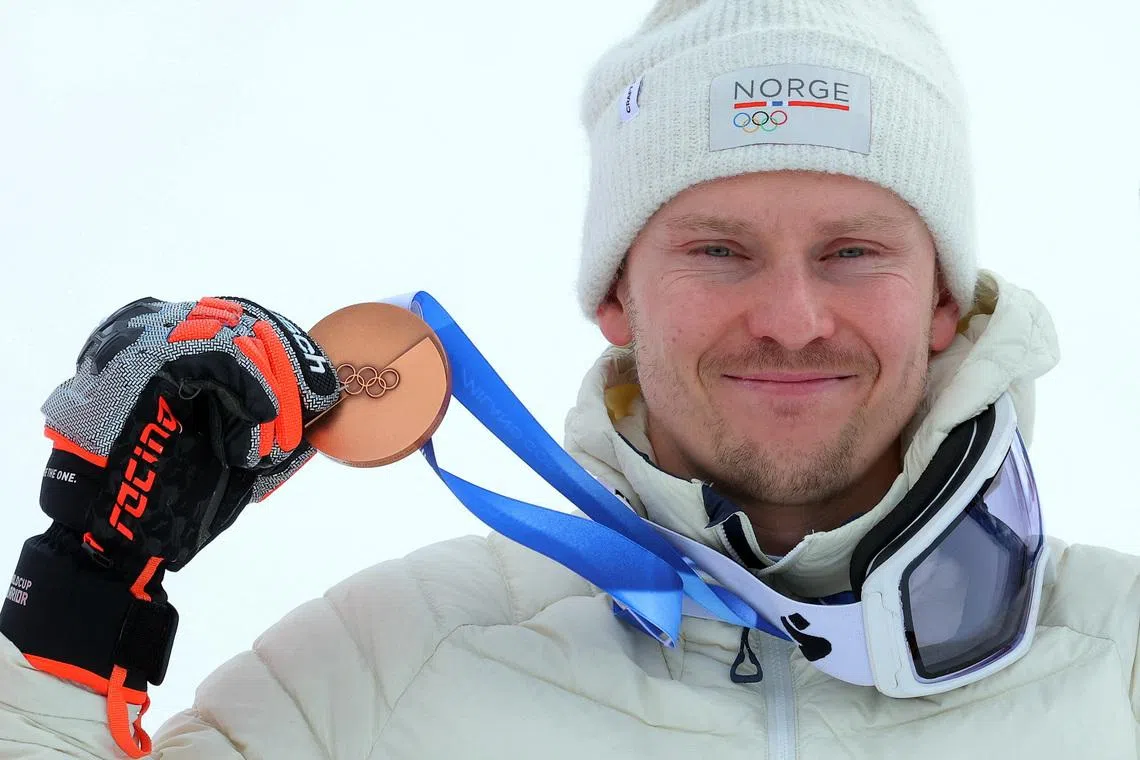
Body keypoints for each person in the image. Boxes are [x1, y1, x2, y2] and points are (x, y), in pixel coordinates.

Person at [2, 0, 1139, 757]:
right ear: (616, 297)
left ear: (946, 296)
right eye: (719, 249)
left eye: (852, 250)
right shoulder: (394, 662)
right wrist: (79, 604)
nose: (793, 320)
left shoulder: (1119, 663)